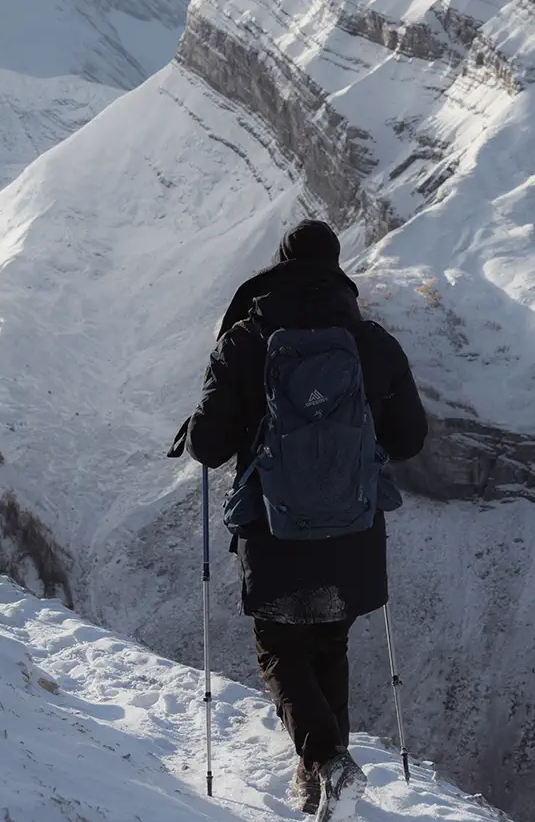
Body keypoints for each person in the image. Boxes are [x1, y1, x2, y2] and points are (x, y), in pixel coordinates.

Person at [184, 219, 427, 820]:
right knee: (329, 640)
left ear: (278, 267)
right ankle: (321, 774)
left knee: (280, 647)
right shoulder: (372, 341)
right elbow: (410, 438)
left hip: (275, 527)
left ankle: (324, 762)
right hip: (353, 527)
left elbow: (209, 446)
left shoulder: (245, 338)